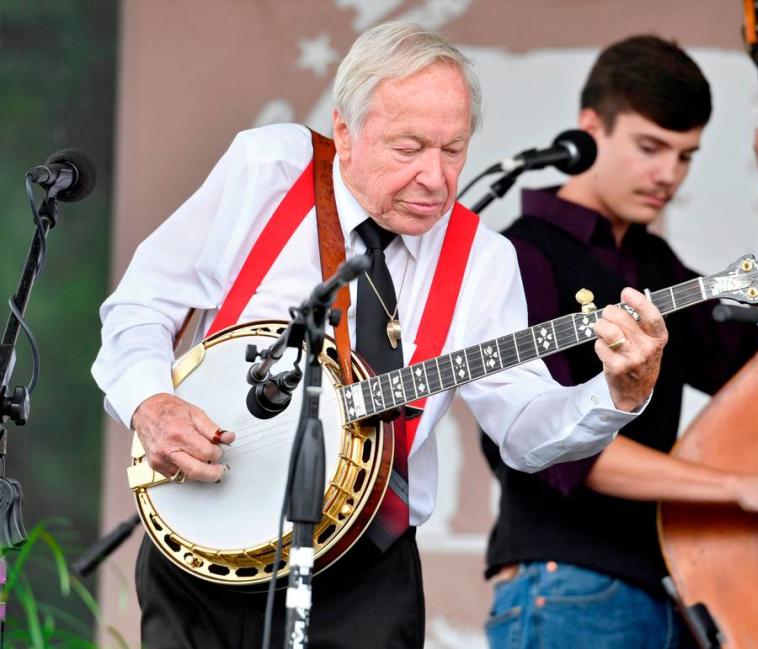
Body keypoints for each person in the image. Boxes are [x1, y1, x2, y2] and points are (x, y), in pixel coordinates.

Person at [92, 22, 668, 649]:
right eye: (409, 147)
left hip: (366, 577)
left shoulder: (484, 258)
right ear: (345, 131)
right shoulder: (267, 169)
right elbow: (143, 304)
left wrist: (615, 394)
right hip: (206, 550)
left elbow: (524, 431)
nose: (435, 178)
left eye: (453, 151)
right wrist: (151, 404)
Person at [482, 35, 758, 649]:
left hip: (664, 592)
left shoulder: (655, 262)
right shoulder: (521, 254)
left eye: (686, 155)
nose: (669, 174)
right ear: (590, 129)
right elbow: (561, 447)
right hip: (567, 586)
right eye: (650, 147)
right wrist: (737, 488)